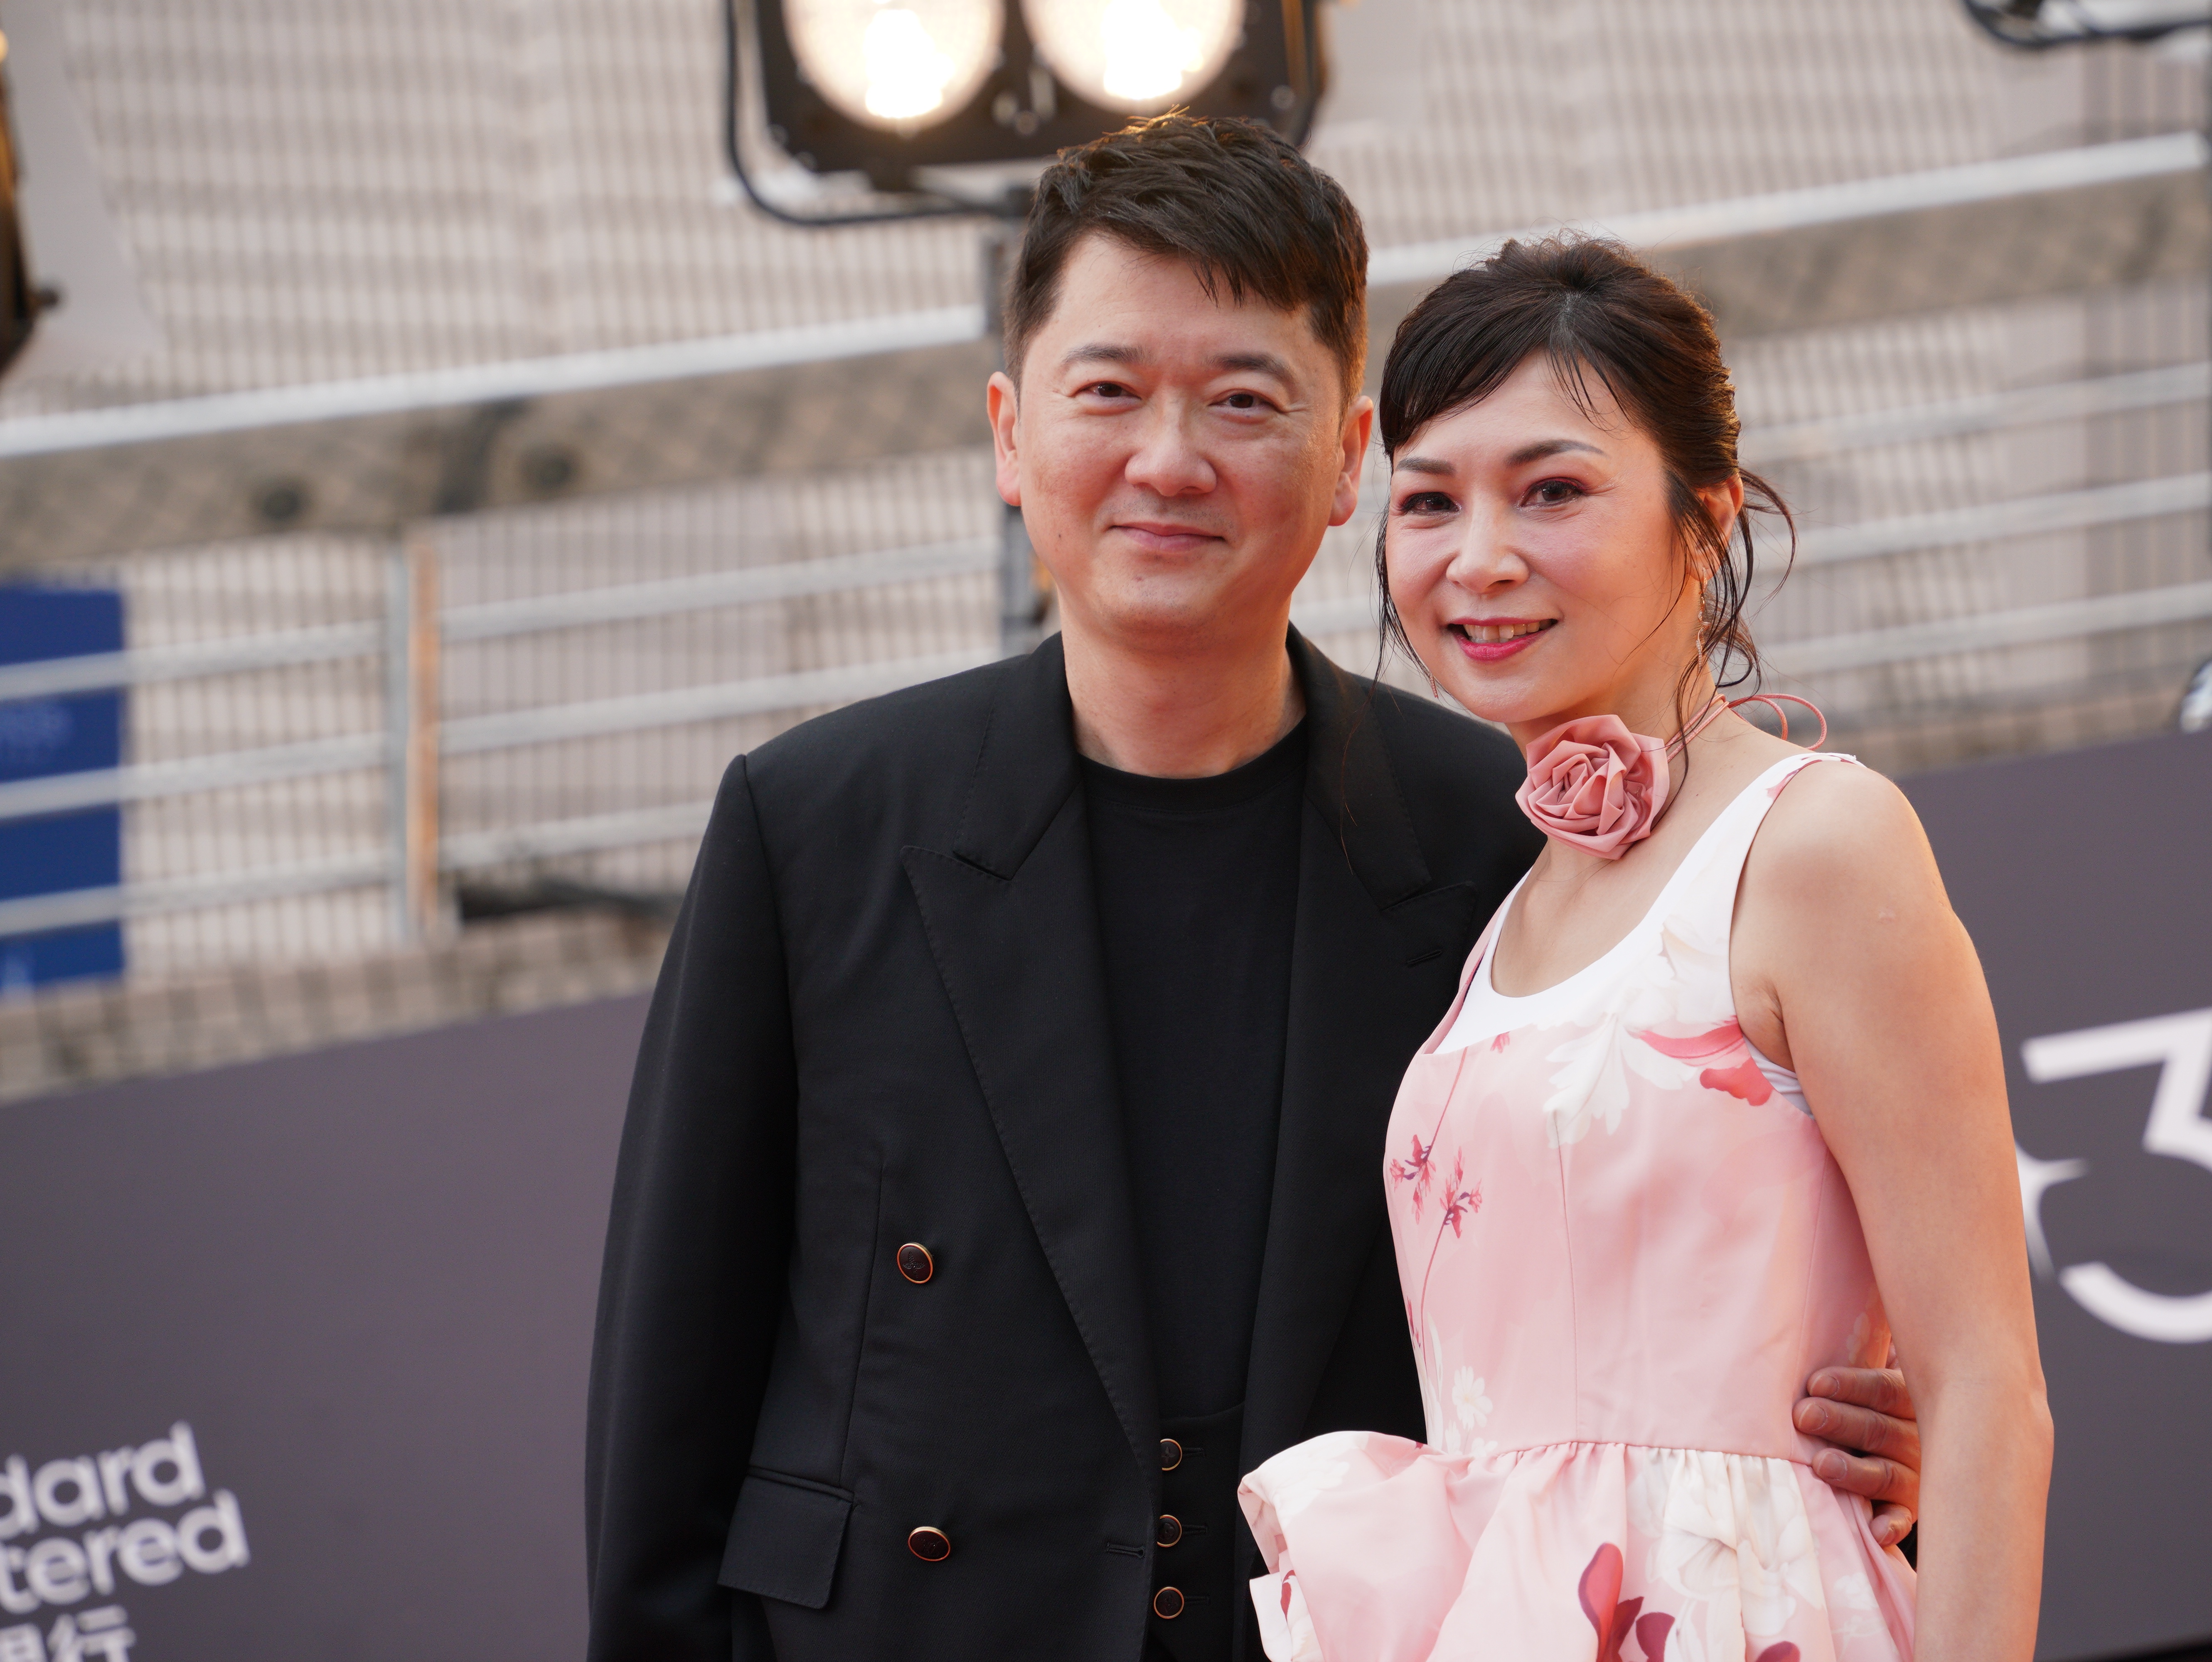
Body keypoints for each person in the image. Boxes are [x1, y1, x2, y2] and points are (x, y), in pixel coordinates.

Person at [584, 117, 1928, 1662]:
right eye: (1108, 392)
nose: (1169, 461)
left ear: (1347, 458)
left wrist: (1844, 1437)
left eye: (1242, 400)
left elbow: (1673, 1287)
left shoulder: (1501, 836)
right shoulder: (815, 824)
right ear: (1010, 433)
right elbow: (670, 1402)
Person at [1239, 239, 2053, 1662]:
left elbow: (1986, 1388)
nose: (1479, 556)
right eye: (1429, 500)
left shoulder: (1816, 842)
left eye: (1552, 490)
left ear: (1705, 515)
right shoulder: (1513, 907)